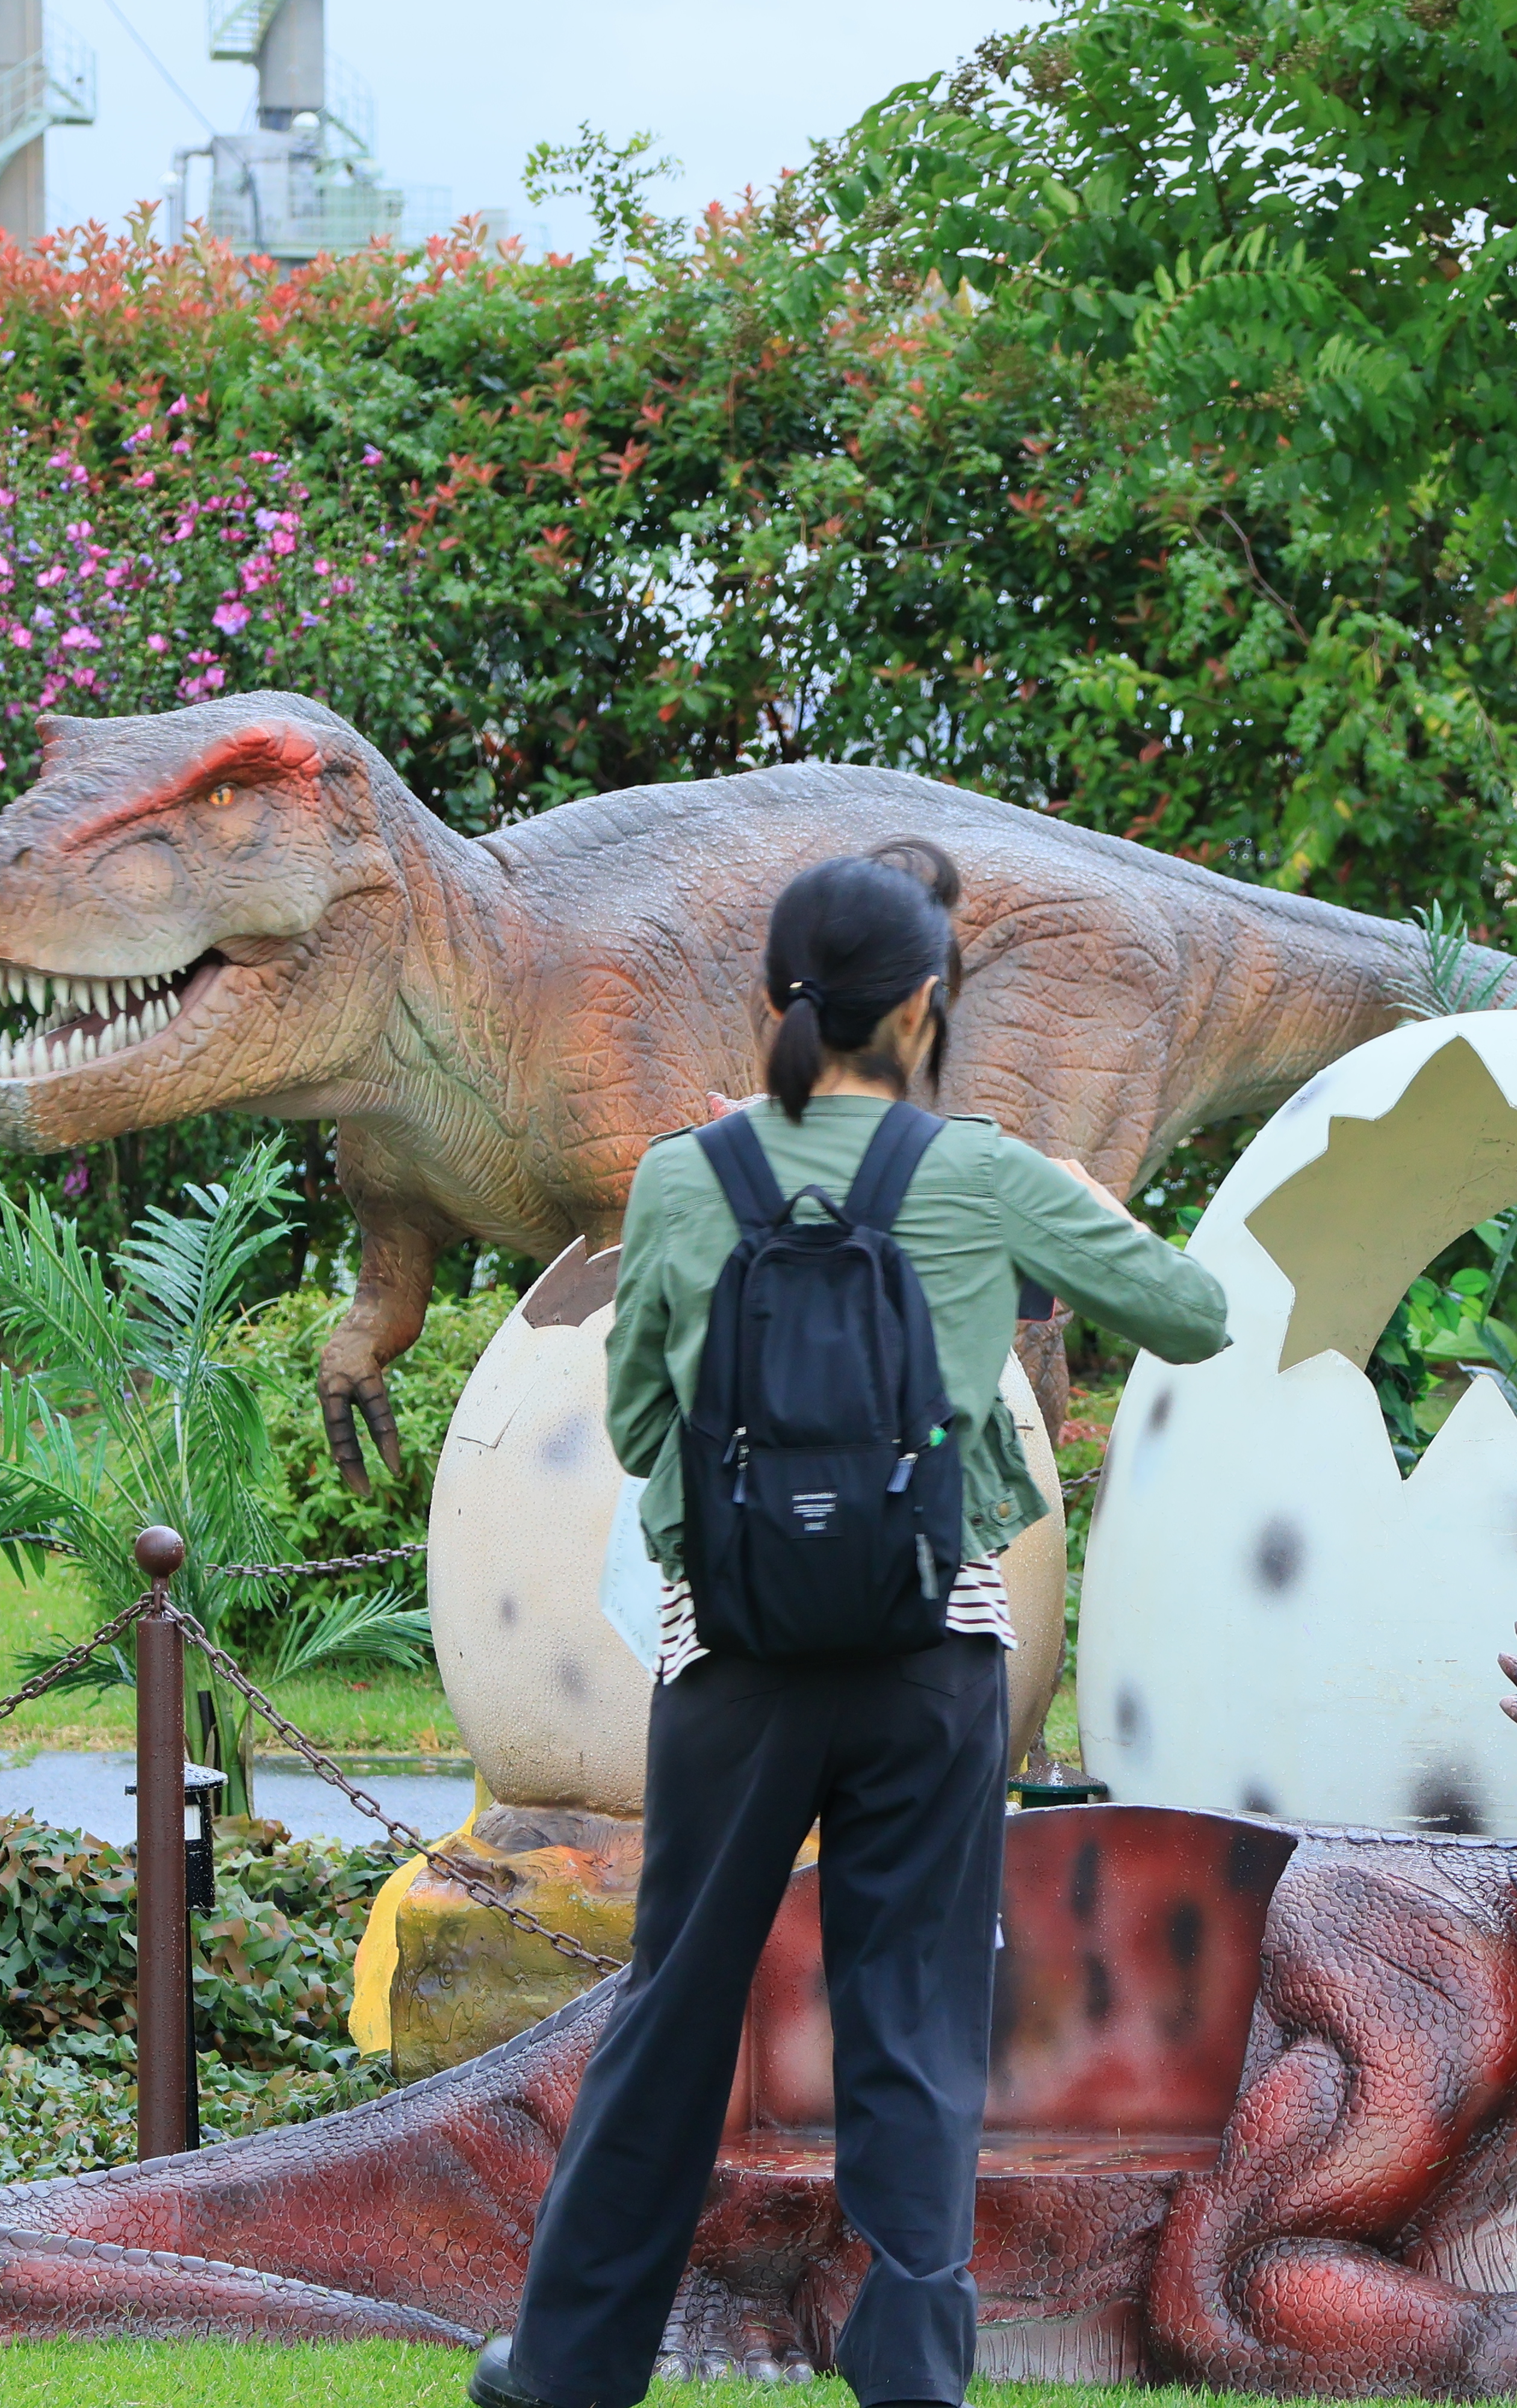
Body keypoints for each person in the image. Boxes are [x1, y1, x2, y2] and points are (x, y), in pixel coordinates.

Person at [473, 840, 1231, 2408]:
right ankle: (908, 2374)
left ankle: (565, 2368)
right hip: (926, 1658)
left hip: (734, 1661)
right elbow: (1195, 1318)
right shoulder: (980, 1175)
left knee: (677, 2008)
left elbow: (636, 1427)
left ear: (777, 1003)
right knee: (914, 2018)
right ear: (924, 1009)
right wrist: (1074, 1201)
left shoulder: (690, 1182)